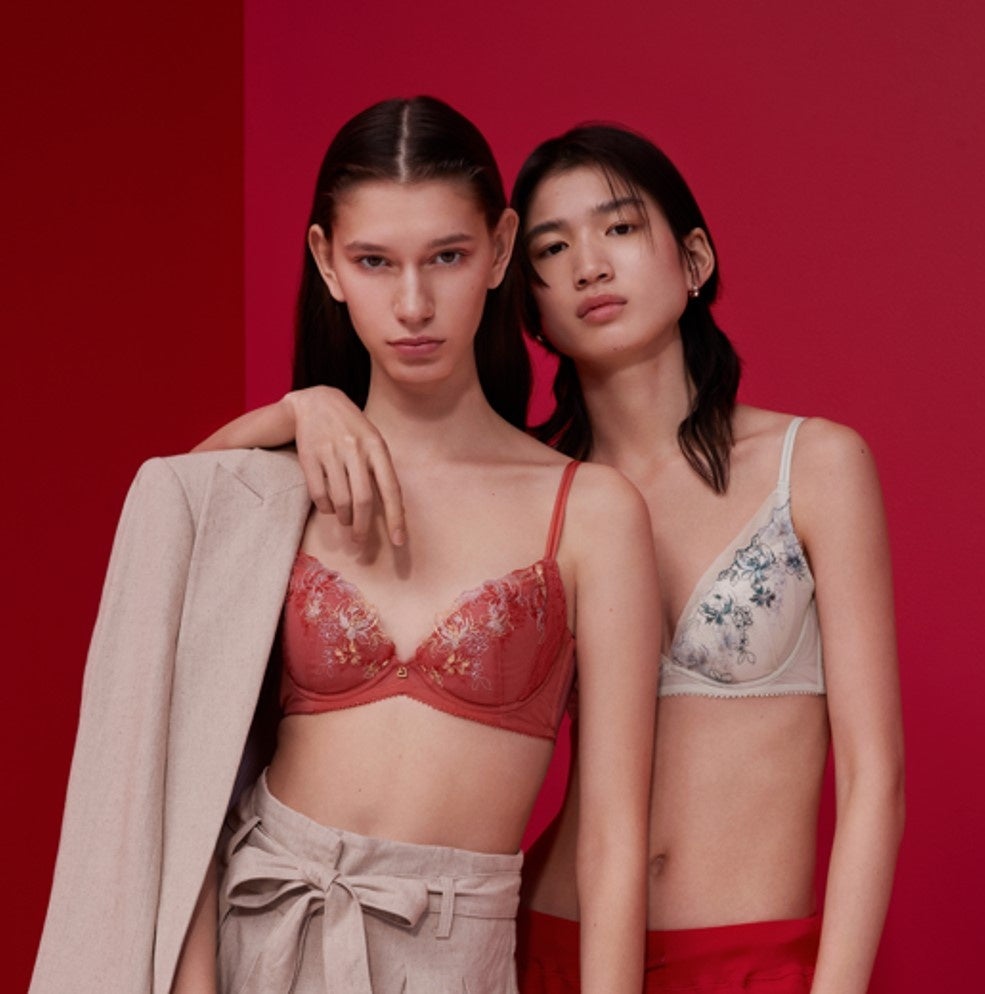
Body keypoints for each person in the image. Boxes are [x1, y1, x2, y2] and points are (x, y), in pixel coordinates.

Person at [207, 122, 905, 994]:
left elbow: (875, 779)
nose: (589, 267)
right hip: (546, 940)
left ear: (693, 259)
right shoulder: (541, 497)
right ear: (521, 290)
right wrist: (300, 409)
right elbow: (183, 543)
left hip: (749, 951)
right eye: (552, 247)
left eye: (619, 228)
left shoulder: (813, 466)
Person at [29, 99, 660, 994]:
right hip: (258, 929)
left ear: (500, 249)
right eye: (374, 262)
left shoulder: (591, 510)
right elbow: (167, 563)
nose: (412, 305)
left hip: (451, 959)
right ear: (327, 261)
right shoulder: (281, 487)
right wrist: (296, 410)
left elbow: (611, 844)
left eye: (446, 256)